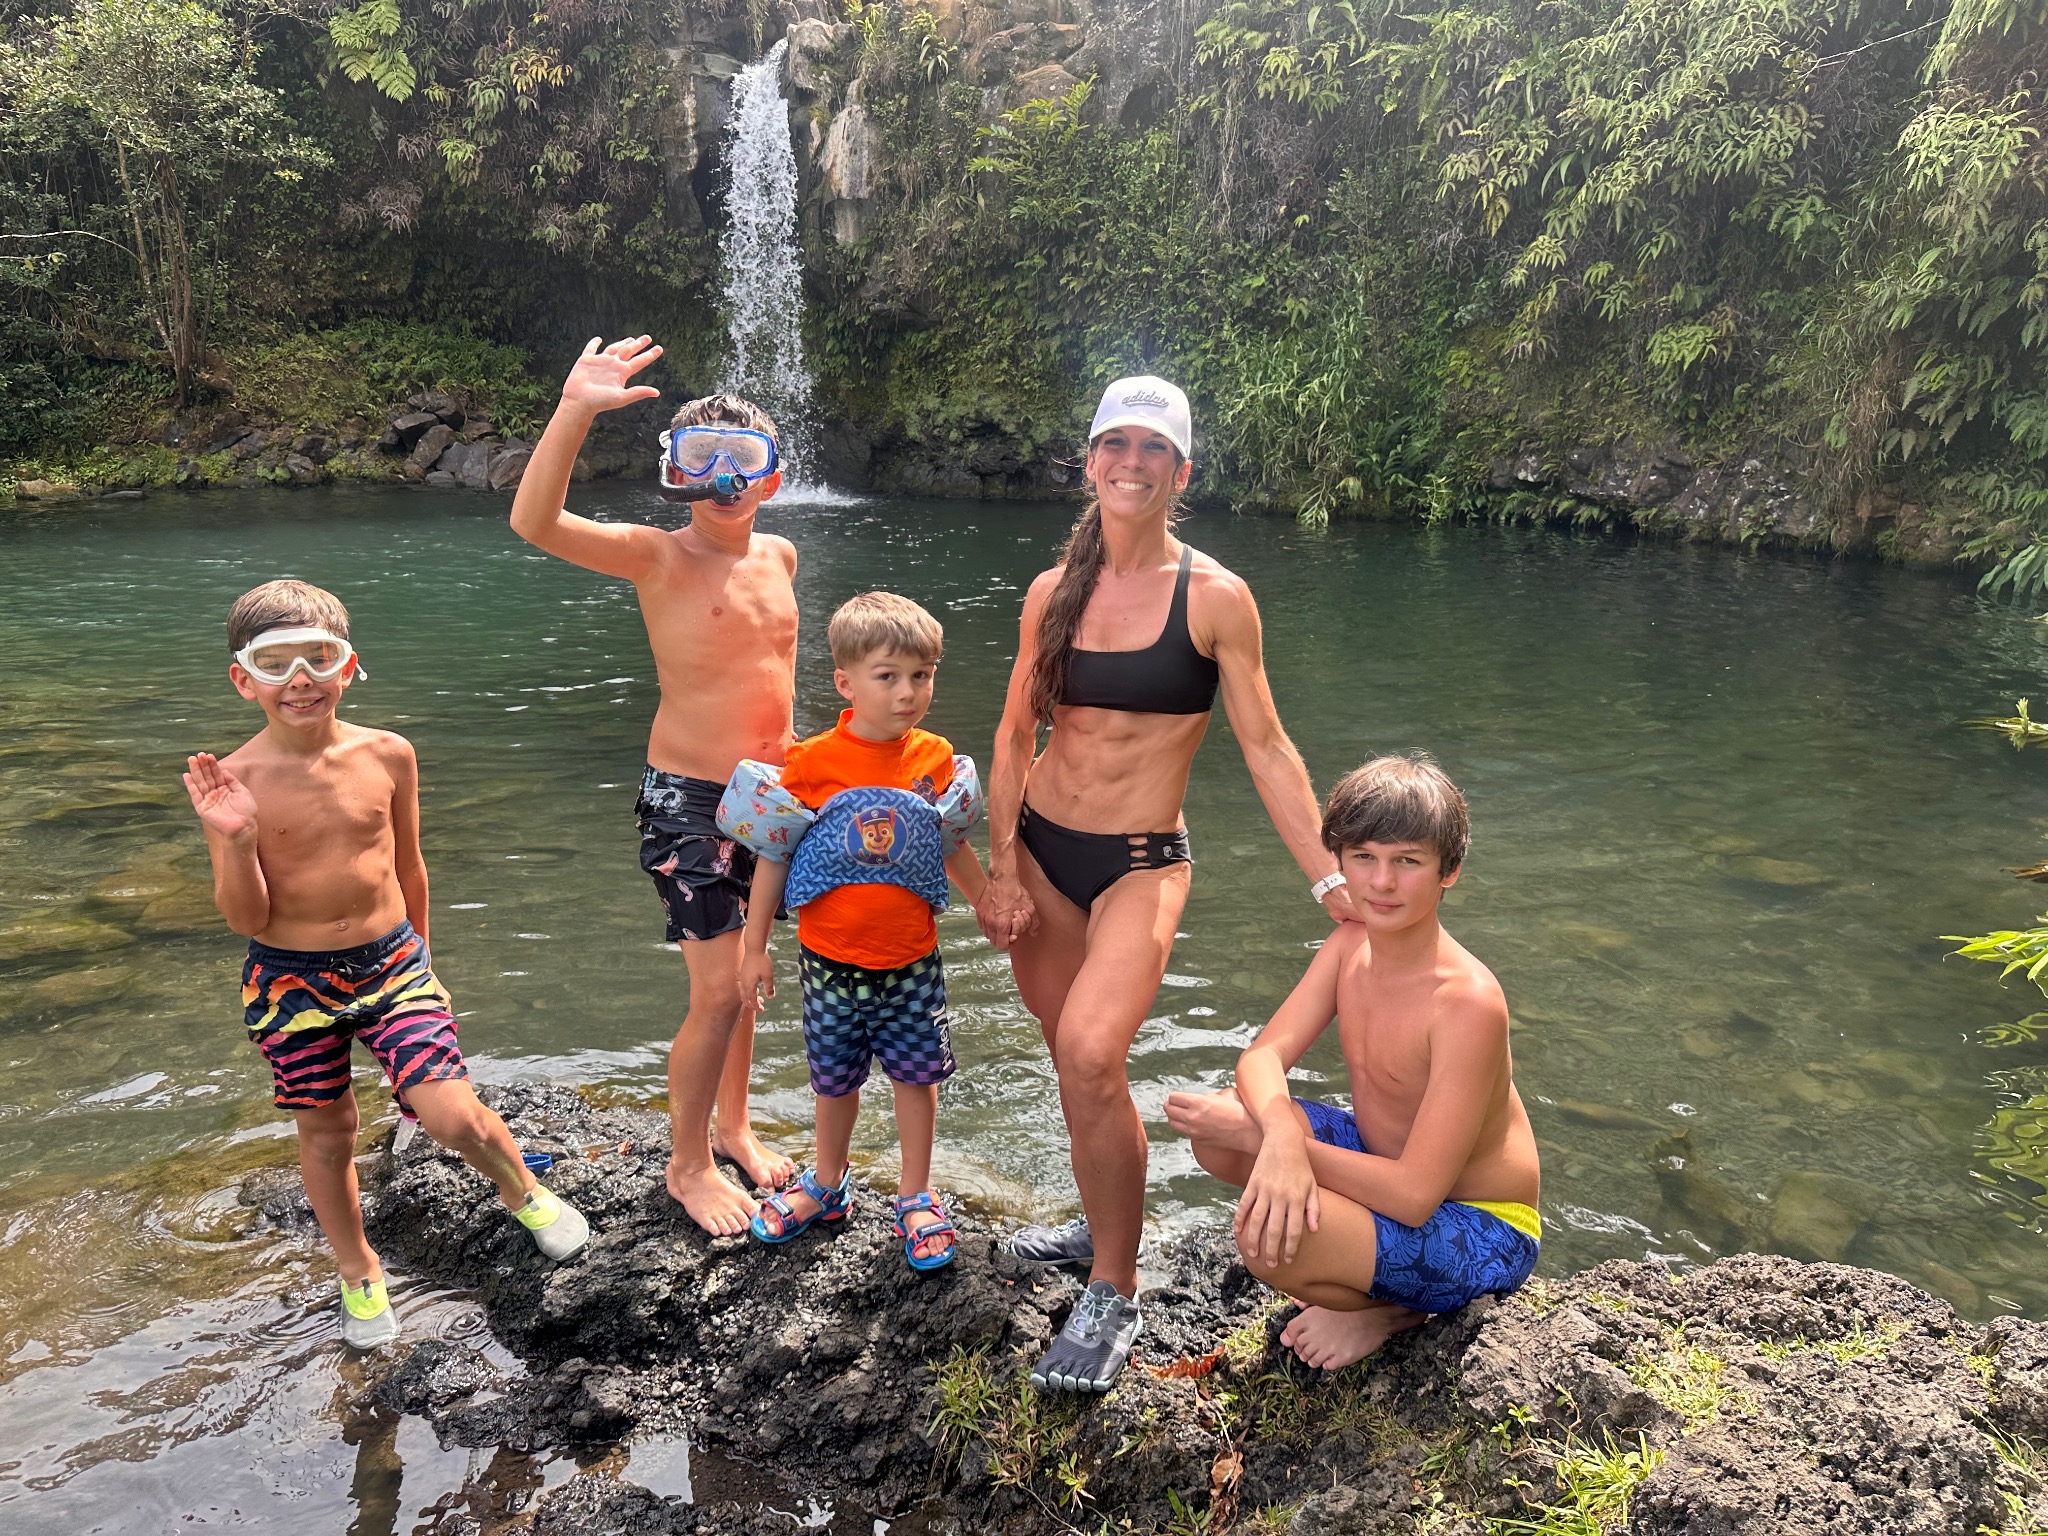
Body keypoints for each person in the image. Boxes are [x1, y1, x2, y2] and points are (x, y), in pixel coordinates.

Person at [976, 376, 1359, 1393]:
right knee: (1071, 1060)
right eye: (1117, 445)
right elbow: (1013, 736)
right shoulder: (1051, 593)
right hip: (1041, 852)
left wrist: (1330, 880)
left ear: (1181, 472)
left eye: (1154, 449)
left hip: (1140, 864)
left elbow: (1266, 747)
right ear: (1090, 462)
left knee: (1092, 1049)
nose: (1133, 463)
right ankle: (1095, 1225)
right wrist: (1002, 865)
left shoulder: (1215, 598)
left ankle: (1114, 1287)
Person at [182, 580, 590, 1350]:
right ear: (244, 679)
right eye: (275, 663)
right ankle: (358, 1269)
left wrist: (427, 962)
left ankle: (523, 1192)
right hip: (289, 978)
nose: (300, 679)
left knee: (450, 1113)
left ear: (347, 665)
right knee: (328, 1131)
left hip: (394, 963)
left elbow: (410, 867)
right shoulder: (234, 783)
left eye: (319, 657)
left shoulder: (388, 754)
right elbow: (245, 918)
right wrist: (235, 841)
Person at [510, 336, 799, 1236]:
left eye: (741, 457)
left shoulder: (781, 556)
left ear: (772, 476)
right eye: (701, 457)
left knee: (746, 983)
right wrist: (575, 409)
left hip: (771, 804)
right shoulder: (657, 555)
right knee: (715, 993)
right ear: (675, 473)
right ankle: (687, 1166)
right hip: (691, 802)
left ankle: (734, 1126)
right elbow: (535, 523)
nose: (723, 476)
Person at [1164, 756, 1542, 1370]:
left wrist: (1282, 1147)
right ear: (1339, 860)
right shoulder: (1348, 946)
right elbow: (1263, 1055)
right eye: (1364, 857)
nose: (1382, 882)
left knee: (1268, 1242)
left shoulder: (1467, 1003)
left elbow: (1416, 1196)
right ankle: (1384, 1290)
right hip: (1382, 1162)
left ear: (1449, 871)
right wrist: (1276, 1132)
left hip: (1483, 1227)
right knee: (1223, 1133)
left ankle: (1393, 1313)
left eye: (1408, 861)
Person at [719, 593, 987, 1269]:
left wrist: (989, 903)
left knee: (916, 1078)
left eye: (922, 676)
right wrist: (754, 948)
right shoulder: (812, 762)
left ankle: (916, 1194)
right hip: (827, 961)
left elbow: (950, 845)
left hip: (911, 960)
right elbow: (775, 853)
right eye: (887, 676)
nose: (908, 692)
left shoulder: (935, 758)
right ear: (845, 682)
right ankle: (827, 1182)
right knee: (833, 1079)